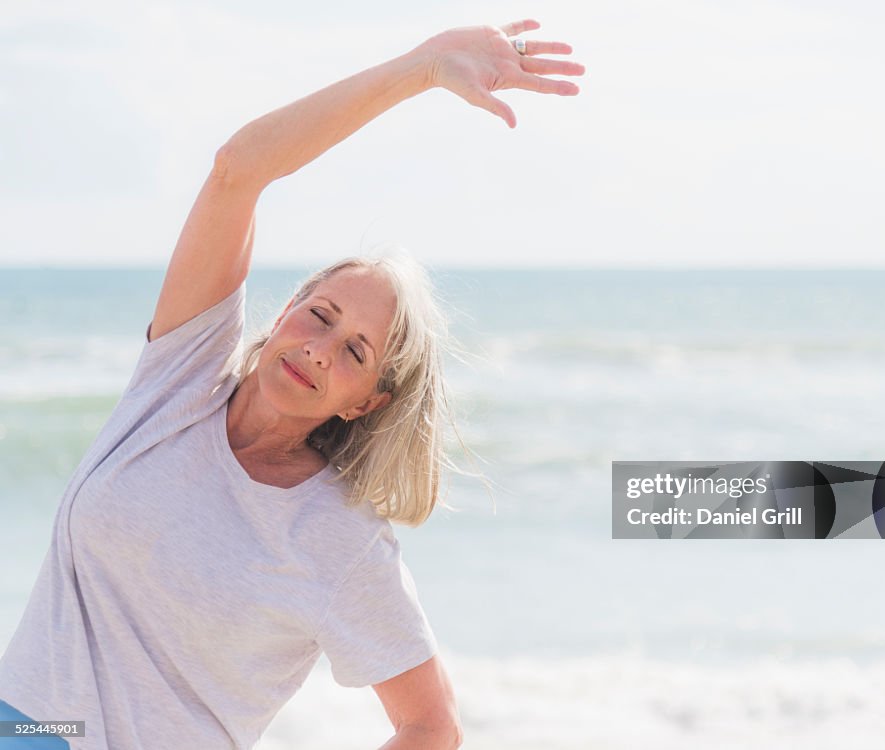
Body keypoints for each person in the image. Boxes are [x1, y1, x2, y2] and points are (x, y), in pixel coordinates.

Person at [0, 19, 583, 750]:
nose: (318, 350)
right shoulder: (179, 382)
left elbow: (431, 726)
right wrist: (421, 68)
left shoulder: (338, 539)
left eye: (354, 351)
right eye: (320, 316)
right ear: (283, 314)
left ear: (368, 401)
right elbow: (237, 167)